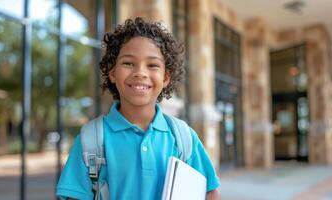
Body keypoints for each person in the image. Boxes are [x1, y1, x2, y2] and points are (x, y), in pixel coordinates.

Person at [56, 17, 221, 200]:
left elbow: (209, 192)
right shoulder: (90, 140)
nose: (140, 73)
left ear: (166, 78)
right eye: (128, 63)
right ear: (112, 73)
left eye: (152, 65)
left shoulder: (184, 138)